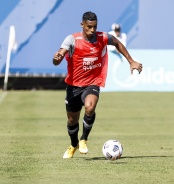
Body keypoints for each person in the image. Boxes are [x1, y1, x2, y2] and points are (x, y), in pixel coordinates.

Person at [52, 11, 142, 159]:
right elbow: (58, 58)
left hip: (92, 82)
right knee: (71, 120)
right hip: (74, 85)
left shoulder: (103, 37)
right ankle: (73, 144)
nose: (92, 30)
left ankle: (84, 139)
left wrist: (131, 61)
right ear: (82, 25)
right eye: (89, 27)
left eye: (94, 27)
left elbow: (118, 43)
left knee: (90, 106)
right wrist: (57, 58)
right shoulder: (72, 39)